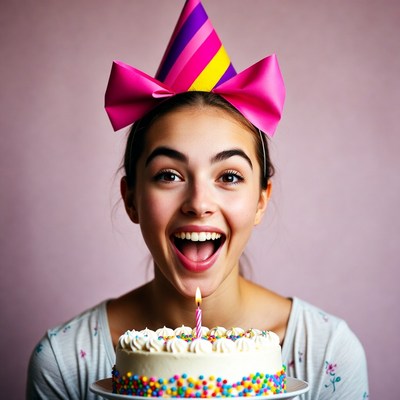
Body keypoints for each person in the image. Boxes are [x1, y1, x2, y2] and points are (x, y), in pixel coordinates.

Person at [26, 1, 369, 399]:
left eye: (229, 176)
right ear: (131, 199)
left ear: (261, 200)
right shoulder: (66, 361)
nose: (199, 202)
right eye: (169, 175)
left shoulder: (327, 351)